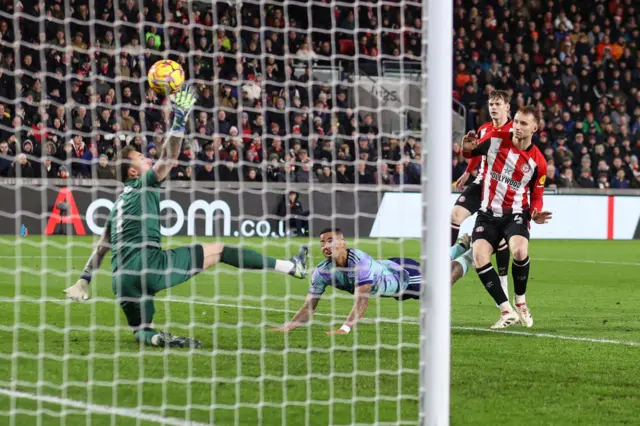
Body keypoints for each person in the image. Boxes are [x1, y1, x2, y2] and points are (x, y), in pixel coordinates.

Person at [64, 85, 309, 348]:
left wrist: (84, 279)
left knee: (141, 331)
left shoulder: (116, 207)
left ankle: (157, 338)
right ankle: (292, 267)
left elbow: (102, 247)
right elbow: (169, 157)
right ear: (133, 173)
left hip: (121, 282)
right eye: (141, 158)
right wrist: (179, 118)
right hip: (150, 265)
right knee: (220, 250)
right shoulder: (145, 183)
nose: (147, 159)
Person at [269, 228, 474, 334]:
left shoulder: (359, 261)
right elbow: (309, 306)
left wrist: (345, 328)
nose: (324, 246)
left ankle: (471, 254)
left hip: (402, 276)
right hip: (387, 272)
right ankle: (458, 248)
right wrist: (289, 326)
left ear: (343, 243)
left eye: (330, 241)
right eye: (322, 242)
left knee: (441, 283)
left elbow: (362, 301)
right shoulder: (322, 272)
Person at [461, 106, 552, 329]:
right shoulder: (495, 139)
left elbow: (537, 194)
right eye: (516, 122)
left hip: (516, 214)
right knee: (479, 257)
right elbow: (471, 153)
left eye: (523, 123)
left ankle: (520, 301)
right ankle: (506, 310)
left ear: (534, 128)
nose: (517, 127)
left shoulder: (538, 162)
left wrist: (536, 212)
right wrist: (466, 148)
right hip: (487, 213)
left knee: (520, 251)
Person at [452, 90, 514, 300]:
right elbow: (475, 153)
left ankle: (504, 282)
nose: (493, 107)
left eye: (498, 104)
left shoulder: (514, 130)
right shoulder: (484, 129)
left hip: (504, 190)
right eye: (491, 104)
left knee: (501, 240)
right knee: (454, 216)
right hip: (483, 183)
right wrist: (468, 171)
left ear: (507, 107)